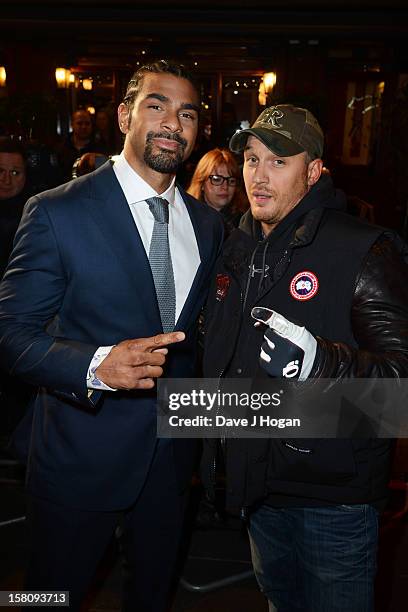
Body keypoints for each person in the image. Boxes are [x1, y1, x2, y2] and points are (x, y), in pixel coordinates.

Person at [0, 60, 223, 611]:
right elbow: (10, 333)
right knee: (46, 597)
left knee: (151, 597)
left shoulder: (209, 224)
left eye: (187, 113)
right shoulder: (57, 211)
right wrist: (95, 366)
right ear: (124, 115)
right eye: (157, 105)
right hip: (79, 455)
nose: (173, 122)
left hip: (171, 462)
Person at [202, 104, 408, 612]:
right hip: (259, 490)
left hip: (333, 502)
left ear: (313, 171)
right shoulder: (235, 248)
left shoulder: (366, 249)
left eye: (278, 161)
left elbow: (399, 395)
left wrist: (321, 365)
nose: (259, 176)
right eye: (251, 160)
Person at [187, 148, 248, 236]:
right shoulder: (187, 217)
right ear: (202, 183)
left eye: (231, 180)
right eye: (217, 179)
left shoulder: (245, 224)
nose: (225, 187)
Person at [56, 108, 104, 182]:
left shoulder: (100, 149)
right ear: (72, 125)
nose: (84, 127)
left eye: (87, 123)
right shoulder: (61, 149)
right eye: (79, 123)